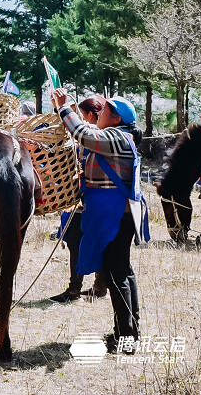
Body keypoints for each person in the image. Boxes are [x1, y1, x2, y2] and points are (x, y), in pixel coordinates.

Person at [52, 88, 148, 353]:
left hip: (115, 214)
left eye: (105, 110)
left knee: (118, 274)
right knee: (123, 271)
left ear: (117, 118)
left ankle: (125, 339)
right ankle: (129, 332)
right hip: (117, 213)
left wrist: (64, 108)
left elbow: (82, 134)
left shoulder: (116, 137)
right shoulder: (120, 136)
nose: (100, 113)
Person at [49, 98, 107, 303]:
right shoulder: (100, 135)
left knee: (76, 239)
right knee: (95, 241)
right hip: (94, 198)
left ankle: (75, 290)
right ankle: (99, 286)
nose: (82, 119)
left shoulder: (94, 136)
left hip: (90, 198)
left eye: (83, 115)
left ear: (91, 115)